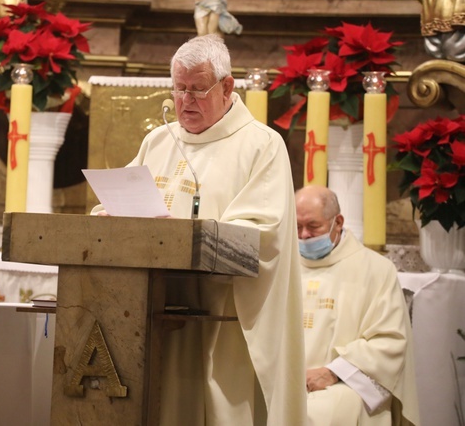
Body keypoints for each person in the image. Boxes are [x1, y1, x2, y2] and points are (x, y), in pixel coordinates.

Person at [94, 34, 307, 425]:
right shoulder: (159, 140)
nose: (185, 100)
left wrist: (191, 236)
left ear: (227, 87)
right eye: (179, 88)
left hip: (219, 317)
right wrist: (109, 218)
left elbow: (261, 232)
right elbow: (114, 199)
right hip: (151, 306)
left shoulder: (262, 145)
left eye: (197, 89)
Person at [295, 185, 419, 426]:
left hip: (345, 383)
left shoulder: (376, 270)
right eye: (297, 227)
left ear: (338, 222)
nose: (304, 236)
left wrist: (332, 372)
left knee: (319, 414)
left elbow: (389, 343)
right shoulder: (283, 267)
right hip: (286, 383)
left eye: (313, 226)